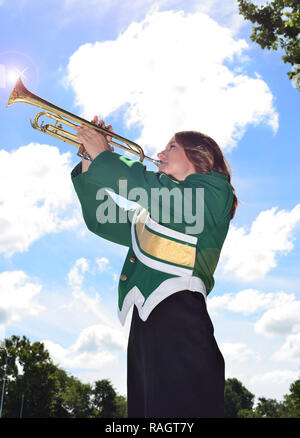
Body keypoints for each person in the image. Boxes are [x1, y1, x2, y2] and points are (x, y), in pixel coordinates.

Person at [71, 116, 238, 418]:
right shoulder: (155, 213)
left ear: (201, 158)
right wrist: (88, 156)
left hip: (180, 318)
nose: (160, 154)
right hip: (144, 326)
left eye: (171, 147)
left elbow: (146, 188)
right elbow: (100, 217)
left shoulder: (214, 192)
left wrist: (105, 156)